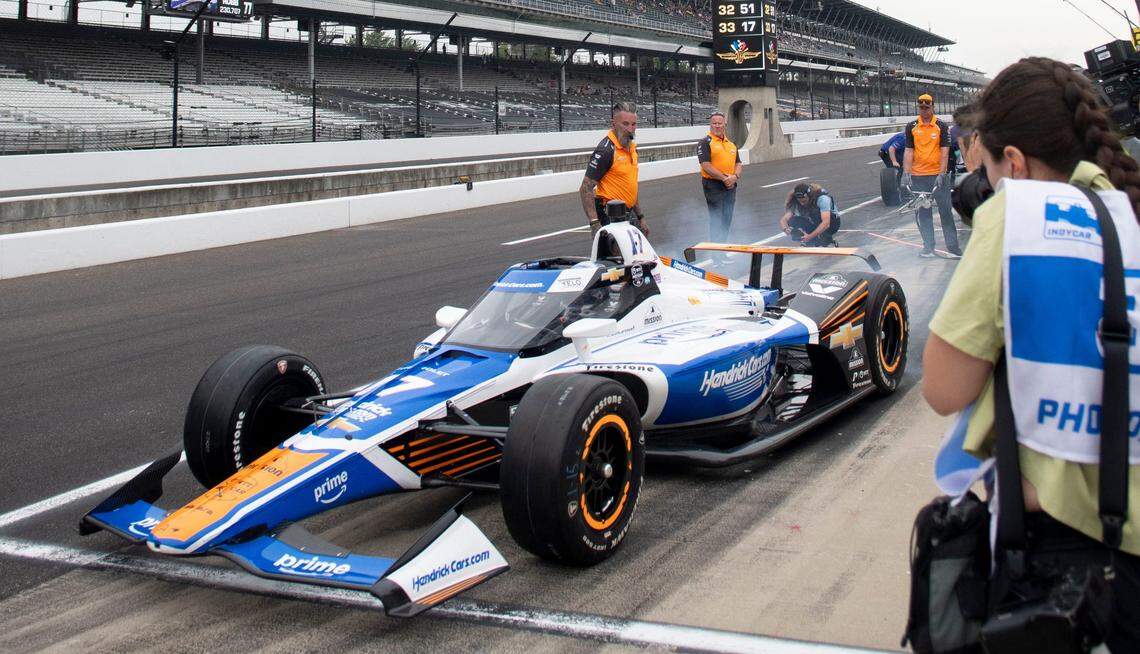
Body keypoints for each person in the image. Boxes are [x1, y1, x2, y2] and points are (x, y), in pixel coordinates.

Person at [923, 57, 1140, 651]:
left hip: (1058, 557)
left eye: (990, 171)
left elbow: (943, 390)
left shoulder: (1014, 216)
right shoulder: (1131, 211)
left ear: (1013, 162)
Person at [903, 92, 961, 258]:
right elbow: (908, 150)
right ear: (918, 107)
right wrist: (906, 173)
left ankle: (953, 247)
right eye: (921, 107)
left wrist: (942, 174)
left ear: (932, 107)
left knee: (945, 212)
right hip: (918, 176)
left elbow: (944, 152)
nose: (924, 110)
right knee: (923, 213)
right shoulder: (911, 126)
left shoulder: (941, 126)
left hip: (938, 176)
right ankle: (928, 247)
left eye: (927, 107)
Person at [579, 102, 648, 236]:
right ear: (613, 124)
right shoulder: (606, 150)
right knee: (615, 257)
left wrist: (641, 217)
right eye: (625, 124)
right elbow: (585, 188)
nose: (630, 129)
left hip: (629, 213)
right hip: (610, 217)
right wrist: (594, 224)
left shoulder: (632, 148)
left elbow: (630, 186)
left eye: (633, 124)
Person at [696, 112, 742, 247]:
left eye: (719, 123)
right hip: (713, 185)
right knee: (717, 219)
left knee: (727, 218)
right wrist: (724, 178)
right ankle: (716, 255)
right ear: (710, 125)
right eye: (714, 123)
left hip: (730, 185)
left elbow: (738, 163)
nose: (717, 126)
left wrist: (735, 177)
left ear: (724, 125)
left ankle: (722, 249)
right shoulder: (705, 142)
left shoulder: (731, 144)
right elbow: (705, 165)